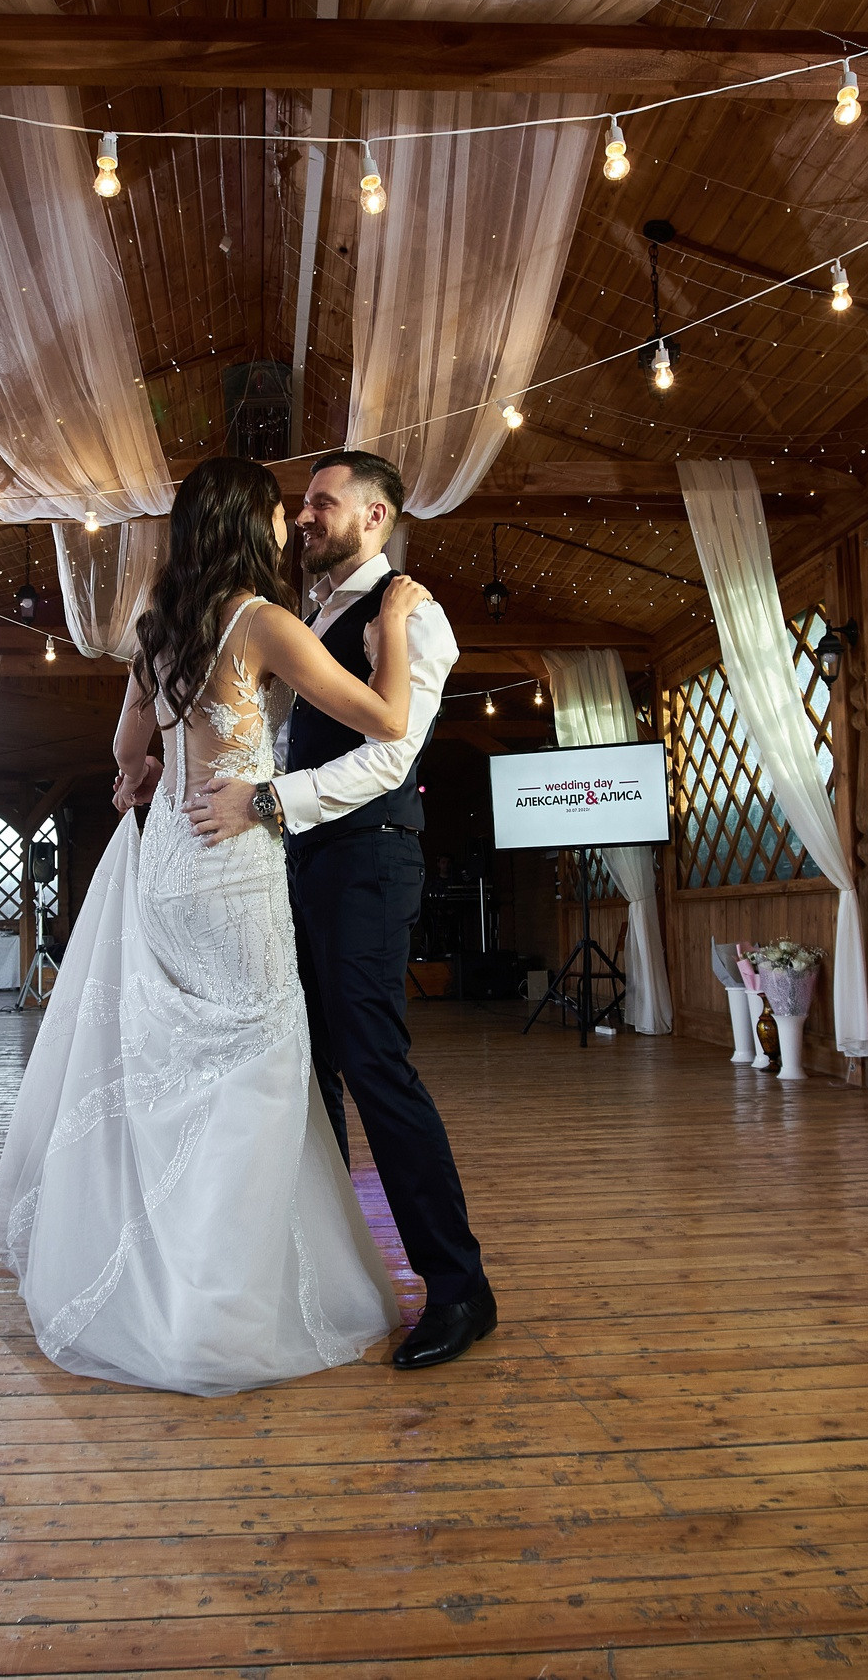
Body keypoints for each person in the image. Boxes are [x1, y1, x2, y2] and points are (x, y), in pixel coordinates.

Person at [0, 457, 433, 1396]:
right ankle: (216, 1307)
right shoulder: (260, 621)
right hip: (232, 868)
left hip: (167, 865)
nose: (288, 526)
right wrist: (390, 623)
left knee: (179, 1069)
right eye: (278, 513)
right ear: (246, 526)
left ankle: (167, 1277)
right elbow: (389, 717)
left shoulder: (158, 629)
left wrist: (151, 774)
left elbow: (124, 751)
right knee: (258, 1072)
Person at [187, 450, 497, 1371]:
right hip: (295, 867)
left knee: (374, 1066)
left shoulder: (416, 615)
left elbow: (387, 760)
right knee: (306, 1069)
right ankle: (312, 1269)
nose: (304, 515)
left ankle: (458, 1288)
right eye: (303, 502)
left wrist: (267, 801)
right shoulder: (309, 615)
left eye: (323, 501)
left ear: (376, 516)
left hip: (366, 864)